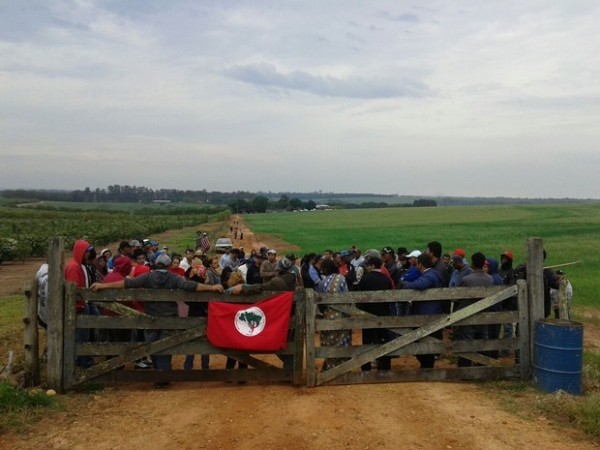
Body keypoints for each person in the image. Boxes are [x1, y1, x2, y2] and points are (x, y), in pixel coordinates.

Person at [91, 254, 224, 388]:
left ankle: (159, 375)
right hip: (170, 318)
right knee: (166, 346)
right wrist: (211, 288)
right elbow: (190, 285)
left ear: (156, 264)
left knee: (153, 346)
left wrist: (104, 286)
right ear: (168, 265)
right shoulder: (173, 277)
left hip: (151, 318)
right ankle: (164, 375)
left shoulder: (148, 276)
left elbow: (128, 283)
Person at [402, 253, 445, 369]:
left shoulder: (430, 275)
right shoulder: (431, 273)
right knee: (424, 340)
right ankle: (426, 364)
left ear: (420, 264)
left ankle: (427, 365)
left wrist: (405, 284)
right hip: (428, 311)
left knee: (424, 340)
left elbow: (420, 284)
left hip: (427, 312)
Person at [455, 252, 494, 367]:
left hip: (469, 313)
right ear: (483, 263)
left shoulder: (467, 279)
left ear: (472, 263)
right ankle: (482, 366)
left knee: (467, 340)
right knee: (482, 339)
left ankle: (465, 367)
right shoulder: (490, 279)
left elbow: (458, 296)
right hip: (484, 313)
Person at [64, 239, 98, 368]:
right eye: (87, 252)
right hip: (79, 307)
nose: (89, 255)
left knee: (83, 335)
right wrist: (81, 304)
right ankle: (84, 363)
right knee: (81, 336)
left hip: (81, 304)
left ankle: (82, 360)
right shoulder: (74, 267)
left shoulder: (78, 265)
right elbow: (74, 289)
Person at [357, 254, 394, 371]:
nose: (367, 267)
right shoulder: (386, 279)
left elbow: (359, 298)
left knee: (367, 341)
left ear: (372, 266)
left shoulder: (365, 278)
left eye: (368, 265)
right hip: (383, 314)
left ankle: (366, 367)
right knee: (383, 340)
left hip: (367, 315)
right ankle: (384, 366)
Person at [315, 258, 351, 371]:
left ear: (325, 269)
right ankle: (343, 368)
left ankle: (330, 368)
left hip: (328, 315)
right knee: (343, 341)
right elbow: (347, 297)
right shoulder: (341, 278)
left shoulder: (322, 282)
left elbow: (319, 302)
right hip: (343, 314)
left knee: (329, 341)